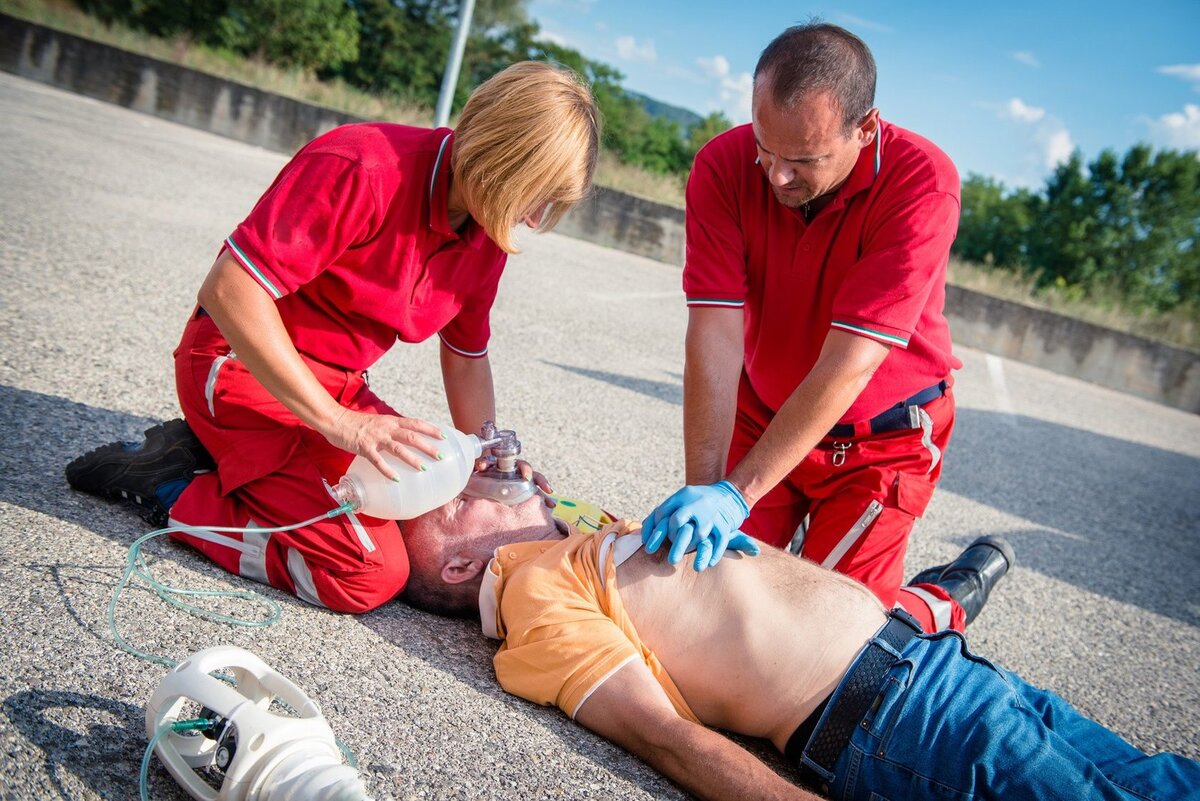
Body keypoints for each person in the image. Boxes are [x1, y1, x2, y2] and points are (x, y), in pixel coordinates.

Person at [64, 61, 600, 614]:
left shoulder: (485, 229)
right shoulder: (363, 166)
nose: (534, 220)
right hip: (239, 367)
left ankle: (242, 468)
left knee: (421, 506)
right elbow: (230, 291)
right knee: (368, 574)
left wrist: (486, 453)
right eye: (535, 196)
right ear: (498, 158)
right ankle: (175, 485)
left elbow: (466, 354)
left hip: (339, 387)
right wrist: (339, 423)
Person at [399, 494, 1199, 801]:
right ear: (461, 565)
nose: (471, 481)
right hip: (894, 722)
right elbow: (662, 735)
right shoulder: (534, 600)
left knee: (1166, 779)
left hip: (936, 667)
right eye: (454, 505)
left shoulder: (569, 533)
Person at [642, 22, 970, 633]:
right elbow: (713, 336)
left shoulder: (922, 182)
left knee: (828, 636)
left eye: (805, 160)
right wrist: (705, 493)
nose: (776, 177)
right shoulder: (725, 162)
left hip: (879, 443)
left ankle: (935, 602)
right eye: (768, 148)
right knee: (708, 604)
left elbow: (852, 361)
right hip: (764, 411)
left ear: (865, 127)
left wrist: (738, 497)